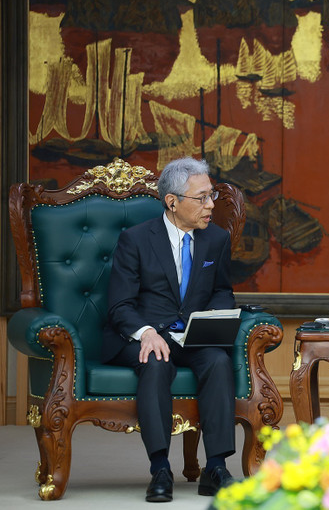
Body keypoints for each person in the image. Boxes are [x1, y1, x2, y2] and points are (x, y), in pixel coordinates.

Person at [102, 157, 237, 502]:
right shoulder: (135, 240)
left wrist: (216, 319)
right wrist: (146, 332)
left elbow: (221, 289)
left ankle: (216, 468)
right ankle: (160, 468)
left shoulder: (216, 239)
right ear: (172, 201)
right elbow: (119, 304)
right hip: (146, 335)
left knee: (218, 362)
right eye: (202, 197)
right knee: (156, 362)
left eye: (212, 196)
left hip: (191, 335)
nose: (210, 205)